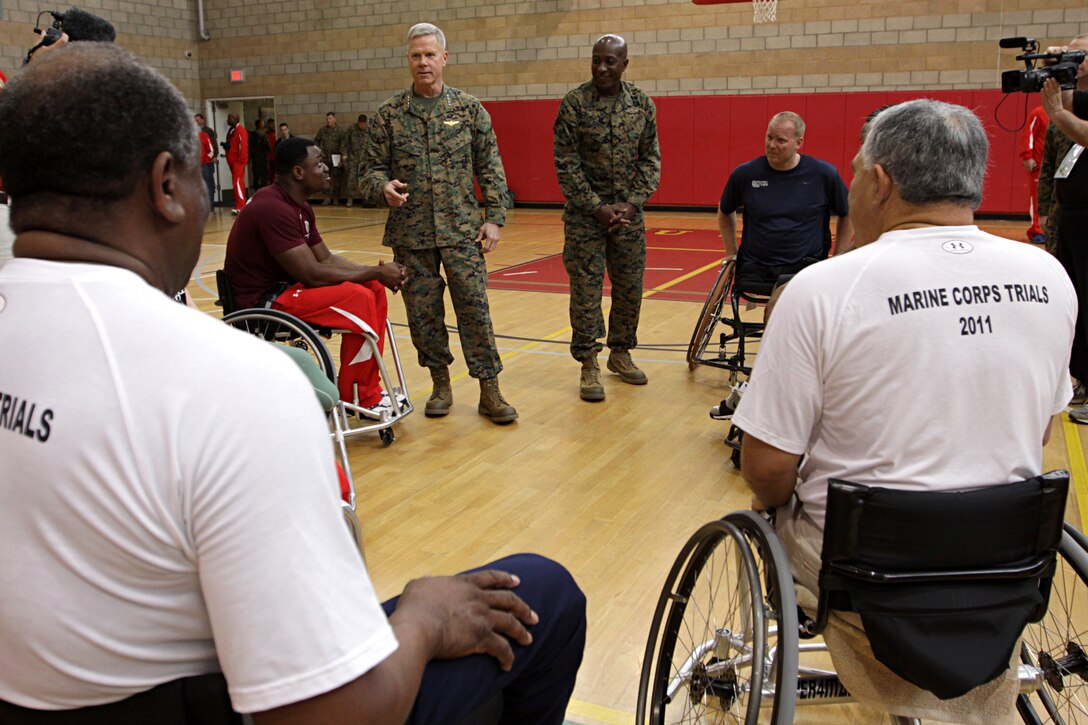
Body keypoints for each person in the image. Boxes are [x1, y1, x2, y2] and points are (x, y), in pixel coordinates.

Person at [0, 42, 586, 724]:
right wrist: (423, 618)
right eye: (197, 176)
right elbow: (329, 715)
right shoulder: (232, 381)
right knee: (546, 593)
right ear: (166, 185)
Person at [732, 99, 1076, 722]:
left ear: (881, 182)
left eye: (859, 171)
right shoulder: (1050, 278)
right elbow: (1041, 428)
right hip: (1006, 562)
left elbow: (766, 468)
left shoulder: (821, 289)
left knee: (768, 501)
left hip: (865, 573)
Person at [361, 22, 517, 424]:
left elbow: (492, 168)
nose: (423, 62)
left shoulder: (468, 110)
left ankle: (489, 390)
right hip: (411, 236)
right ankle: (440, 384)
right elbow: (368, 171)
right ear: (408, 61)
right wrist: (382, 187)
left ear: (444, 58)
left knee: (475, 311)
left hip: (462, 233)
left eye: (430, 55)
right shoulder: (389, 115)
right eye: (416, 56)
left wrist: (495, 219)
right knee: (423, 315)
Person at [224, 136, 409, 409]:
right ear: (298, 172)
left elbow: (325, 258)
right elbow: (312, 274)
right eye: (319, 163)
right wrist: (372, 272)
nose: (326, 168)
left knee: (372, 289)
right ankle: (359, 396)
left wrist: (374, 274)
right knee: (357, 299)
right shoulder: (271, 207)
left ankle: (364, 389)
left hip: (284, 290)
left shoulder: (299, 206)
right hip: (262, 302)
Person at [553, 34, 661, 402]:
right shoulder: (574, 104)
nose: (601, 67)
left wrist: (630, 204)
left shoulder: (642, 105)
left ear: (624, 64)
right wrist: (596, 207)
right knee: (586, 291)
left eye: (610, 61)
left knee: (629, 287)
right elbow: (566, 164)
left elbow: (651, 161)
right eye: (596, 60)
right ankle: (588, 364)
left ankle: (621, 353)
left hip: (629, 217)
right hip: (586, 218)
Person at [718, 111, 852, 290]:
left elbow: (848, 212)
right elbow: (725, 209)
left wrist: (839, 255)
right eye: (769, 137)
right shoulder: (745, 174)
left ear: (799, 143)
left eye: (780, 140)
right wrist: (731, 252)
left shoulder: (823, 174)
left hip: (805, 269)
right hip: (756, 268)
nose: (772, 145)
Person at [1041, 36, 1088, 411]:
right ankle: (1083, 376)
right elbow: (1072, 106)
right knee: (1076, 299)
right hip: (1073, 216)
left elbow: (1078, 127)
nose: (1075, 58)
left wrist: (1057, 111)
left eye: (1080, 54)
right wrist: (1063, 75)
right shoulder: (1080, 97)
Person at [1020, 104, 1048, 244]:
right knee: (1037, 198)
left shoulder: (1066, 114)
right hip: (1038, 164)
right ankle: (1037, 230)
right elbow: (1028, 134)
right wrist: (1027, 156)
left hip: (1056, 163)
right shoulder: (1038, 112)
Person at [315, 111, 344, 205]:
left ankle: (335, 198)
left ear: (334, 119)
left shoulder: (340, 130)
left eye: (330, 118)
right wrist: (320, 152)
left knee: (336, 179)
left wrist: (342, 156)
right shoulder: (323, 130)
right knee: (326, 178)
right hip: (326, 157)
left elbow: (344, 144)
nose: (328, 120)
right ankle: (327, 197)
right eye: (327, 119)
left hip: (336, 158)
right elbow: (316, 141)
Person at [225, 112, 248, 215]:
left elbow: (243, 146)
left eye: (229, 118)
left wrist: (241, 160)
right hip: (233, 161)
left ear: (234, 119)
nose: (227, 120)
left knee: (237, 183)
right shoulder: (232, 130)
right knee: (239, 183)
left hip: (238, 162)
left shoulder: (241, 130)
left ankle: (241, 206)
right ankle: (242, 202)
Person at [344, 113, 369, 208]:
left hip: (364, 159)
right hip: (353, 158)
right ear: (358, 123)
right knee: (351, 178)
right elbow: (345, 142)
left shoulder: (369, 130)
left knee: (364, 179)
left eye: (364, 124)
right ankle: (350, 198)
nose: (362, 126)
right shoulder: (351, 129)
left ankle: (365, 198)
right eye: (361, 124)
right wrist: (344, 154)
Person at [196, 114, 216, 207]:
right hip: (196, 165)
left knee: (208, 184)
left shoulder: (205, 134)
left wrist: (205, 159)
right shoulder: (189, 137)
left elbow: (211, 150)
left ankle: (210, 205)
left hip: (205, 164)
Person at [248, 118, 270, 190]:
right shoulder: (262, 134)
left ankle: (256, 191)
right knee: (264, 175)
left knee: (256, 176)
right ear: (260, 125)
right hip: (262, 158)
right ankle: (263, 192)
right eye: (262, 123)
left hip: (254, 159)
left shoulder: (252, 134)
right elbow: (267, 147)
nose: (263, 125)